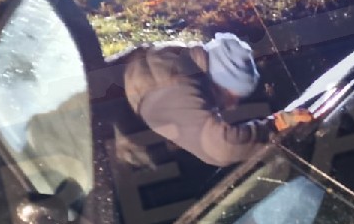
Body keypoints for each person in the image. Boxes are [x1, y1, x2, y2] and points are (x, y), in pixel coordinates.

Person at [118, 32, 313, 168]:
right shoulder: (173, 86)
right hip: (126, 174)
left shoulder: (179, 59)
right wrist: (277, 124)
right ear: (218, 83)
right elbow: (222, 147)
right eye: (231, 97)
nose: (232, 107)